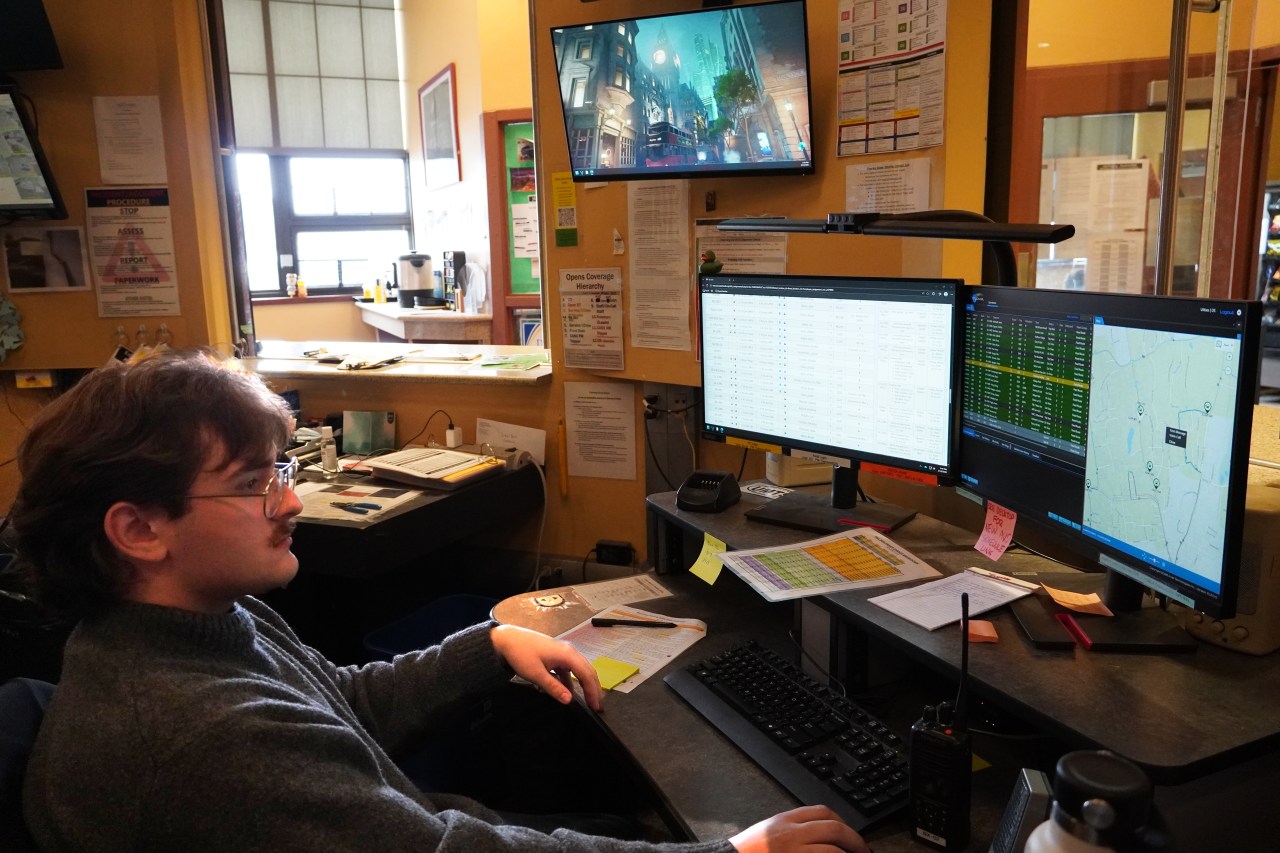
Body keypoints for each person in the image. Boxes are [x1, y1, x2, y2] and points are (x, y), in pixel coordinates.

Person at [12, 349, 870, 853]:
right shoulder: (200, 737)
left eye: (282, 470)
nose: (294, 499)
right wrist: (732, 852)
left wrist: (489, 643)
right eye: (253, 482)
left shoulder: (189, 619)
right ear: (137, 529)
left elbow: (337, 704)